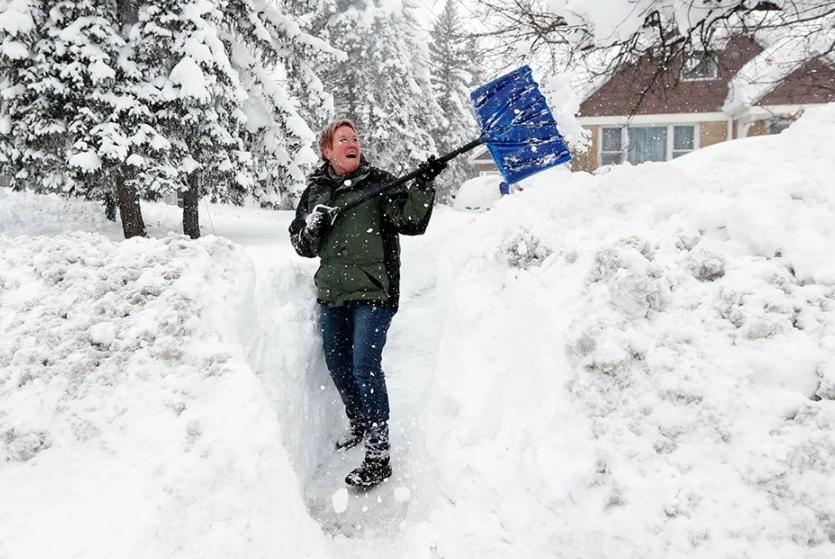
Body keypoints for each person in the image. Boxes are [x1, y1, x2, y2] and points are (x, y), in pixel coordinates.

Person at [288, 119, 446, 487]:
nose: (352, 143)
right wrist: (311, 229)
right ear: (327, 151)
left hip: (374, 292)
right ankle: (359, 419)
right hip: (333, 294)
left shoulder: (379, 183)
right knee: (338, 365)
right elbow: (301, 245)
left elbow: (411, 221)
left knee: (364, 365)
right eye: (343, 139)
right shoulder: (316, 191)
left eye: (355, 138)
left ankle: (378, 452)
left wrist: (423, 184)